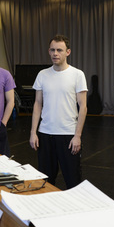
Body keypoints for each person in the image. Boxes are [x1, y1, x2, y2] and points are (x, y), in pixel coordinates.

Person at [29, 35, 88, 189]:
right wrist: (33, 132)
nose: (55, 53)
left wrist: (77, 136)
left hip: (68, 135)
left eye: (59, 50)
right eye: (53, 50)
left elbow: (83, 107)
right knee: (45, 181)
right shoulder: (42, 74)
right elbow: (37, 103)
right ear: (49, 51)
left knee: (73, 181)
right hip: (45, 134)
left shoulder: (77, 74)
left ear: (67, 52)